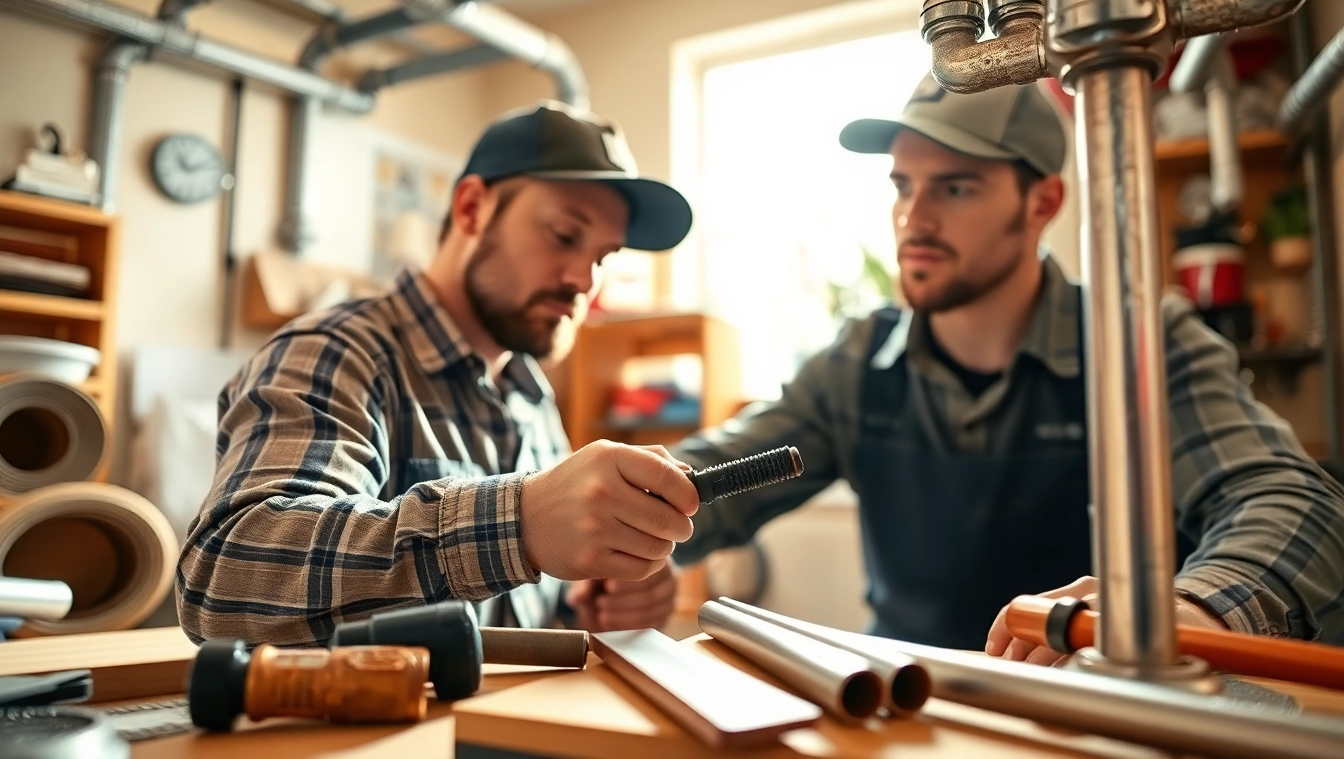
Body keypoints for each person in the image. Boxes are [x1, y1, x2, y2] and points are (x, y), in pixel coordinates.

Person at [672, 74, 1344, 660]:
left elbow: (1292, 502)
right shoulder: (854, 363)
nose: (913, 217)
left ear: (1042, 204)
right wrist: (633, 515)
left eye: (955, 188)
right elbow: (714, 474)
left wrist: (1192, 609)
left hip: (1098, 716)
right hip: (910, 713)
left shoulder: (1138, 339)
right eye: (903, 185)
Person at [177, 102, 705, 646]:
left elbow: (504, 626)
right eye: (565, 235)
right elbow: (222, 581)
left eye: (605, 255)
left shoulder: (531, 399)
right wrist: (520, 523)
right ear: (473, 208)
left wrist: (591, 607)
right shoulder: (337, 353)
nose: (584, 279)